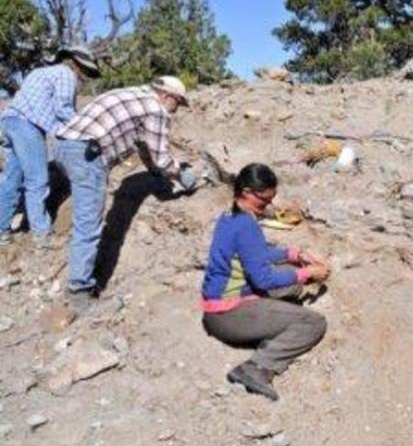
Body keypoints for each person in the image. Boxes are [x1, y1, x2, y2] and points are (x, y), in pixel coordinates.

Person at [54, 75, 196, 309]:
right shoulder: (156, 110)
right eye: (178, 103)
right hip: (87, 155)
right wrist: (181, 175)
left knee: (84, 219)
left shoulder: (132, 94)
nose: (177, 110)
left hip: (63, 147)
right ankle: (79, 292)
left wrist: (155, 172)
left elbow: (144, 146)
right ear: (167, 96)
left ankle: (76, 274)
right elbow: (161, 158)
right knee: (89, 225)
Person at [201, 163, 329, 401]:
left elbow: (256, 254)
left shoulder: (231, 216)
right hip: (227, 315)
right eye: (263, 202)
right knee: (313, 323)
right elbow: (264, 278)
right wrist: (306, 273)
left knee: (290, 278)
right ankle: (256, 368)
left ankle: (272, 321)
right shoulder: (246, 225)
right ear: (247, 192)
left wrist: (295, 254)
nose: (266, 208)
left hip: (218, 307)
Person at [0, 47, 101, 249]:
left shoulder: (41, 72)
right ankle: (42, 235)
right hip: (27, 126)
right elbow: (63, 109)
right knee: (37, 179)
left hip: (10, 122)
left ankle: (2, 230)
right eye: (87, 72)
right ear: (77, 65)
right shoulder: (66, 75)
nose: (86, 77)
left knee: (13, 179)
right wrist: (85, 130)